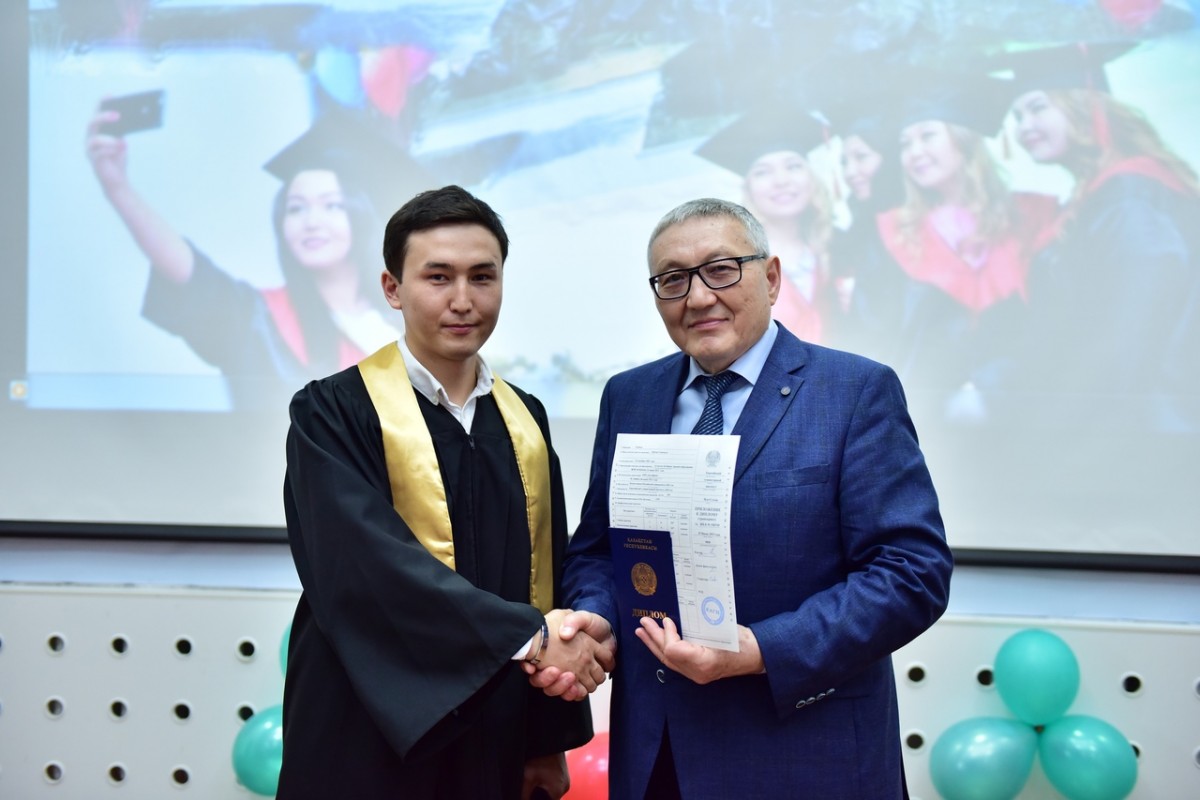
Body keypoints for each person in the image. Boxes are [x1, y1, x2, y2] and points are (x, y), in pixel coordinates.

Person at [540, 198, 953, 798]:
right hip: (657, 755)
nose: (698, 297)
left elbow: (912, 573)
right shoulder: (630, 396)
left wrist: (761, 649)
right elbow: (600, 550)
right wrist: (597, 615)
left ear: (772, 277)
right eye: (673, 280)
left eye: (721, 269)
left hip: (805, 756)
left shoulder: (854, 391)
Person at [279, 185, 613, 799]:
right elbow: (365, 567)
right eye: (438, 277)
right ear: (392, 288)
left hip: (497, 727)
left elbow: (547, 574)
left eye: (482, 277)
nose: (463, 300)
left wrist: (547, 740)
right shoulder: (333, 411)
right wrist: (533, 638)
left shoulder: (524, 420)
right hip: (364, 727)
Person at [85, 108, 412, 409]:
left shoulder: (403, 319)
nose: (311, 221)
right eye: (296, 208)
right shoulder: (256, 319)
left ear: (359, 217)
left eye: (331, 205)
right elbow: (190, 272)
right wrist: (118, 188)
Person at [998, 41, 1200, 431]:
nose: (1024, 127)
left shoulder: (1129, 195)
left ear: (1085, 106)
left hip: (1142, 423)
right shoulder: (1107, 193)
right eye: (1018, 116)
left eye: (1038, 108)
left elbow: (1132, 331)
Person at [866, 70, 1059, 423]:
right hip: (928, 419)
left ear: (964, 140)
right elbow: (883, 334)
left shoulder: (1032, 216)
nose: (915, 152)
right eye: (905, 144)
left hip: (1030, 410)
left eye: (927, 136)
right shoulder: (895, 231)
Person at [695, 108, 839, 344]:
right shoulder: (734, 264)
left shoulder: (838, 246)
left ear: (812, 178)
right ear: (749, 189)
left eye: (793, 166)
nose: (781, 181)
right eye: (762, 172)